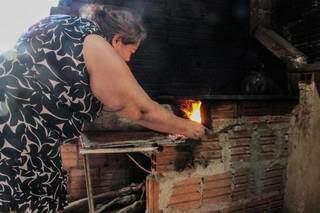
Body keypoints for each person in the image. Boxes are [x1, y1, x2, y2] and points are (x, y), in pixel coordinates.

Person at [0, 5, 205, 212]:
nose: (128, 60)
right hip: (17, 140)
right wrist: (189, 128)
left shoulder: (62, 23)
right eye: (131, 52)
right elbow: (140, 110)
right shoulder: (97, 44)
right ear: (117, 40)